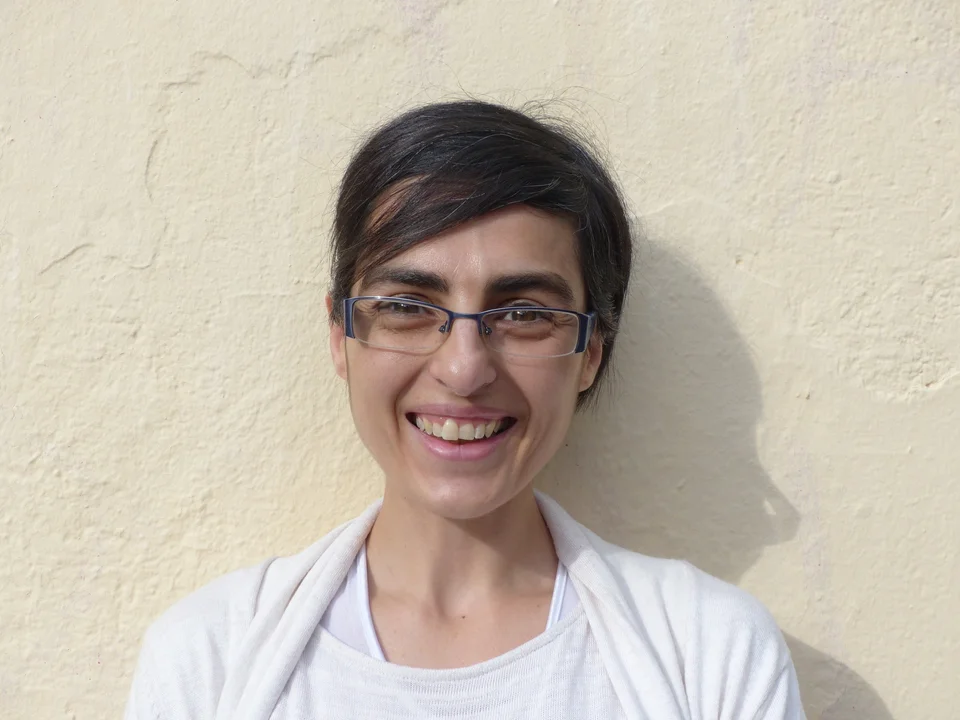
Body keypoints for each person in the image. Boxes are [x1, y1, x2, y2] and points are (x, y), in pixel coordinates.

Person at [124, 100, 805, 719]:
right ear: (340, 336)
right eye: (407, 307)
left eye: (524, 314)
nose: (464, 368)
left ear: (591, 352)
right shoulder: (209, 661)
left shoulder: (709, 655)